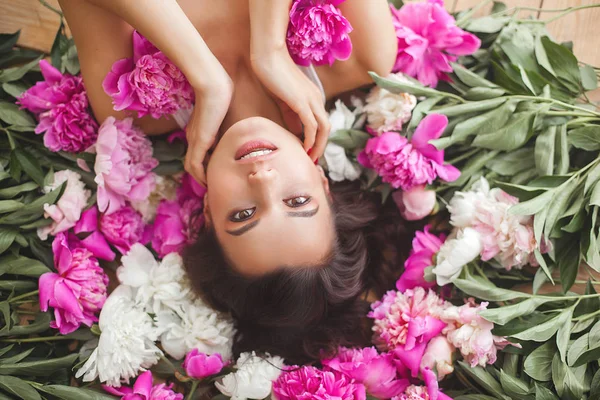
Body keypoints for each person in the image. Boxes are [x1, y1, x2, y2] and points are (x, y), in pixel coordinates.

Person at [59, 0, 402, 363]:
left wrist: (206, 76)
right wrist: (268, 50)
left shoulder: (131, 106)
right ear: (322, 181)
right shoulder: (363, 56)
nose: (263, 179)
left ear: (207, 211)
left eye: (243, 215)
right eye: (298, 202)